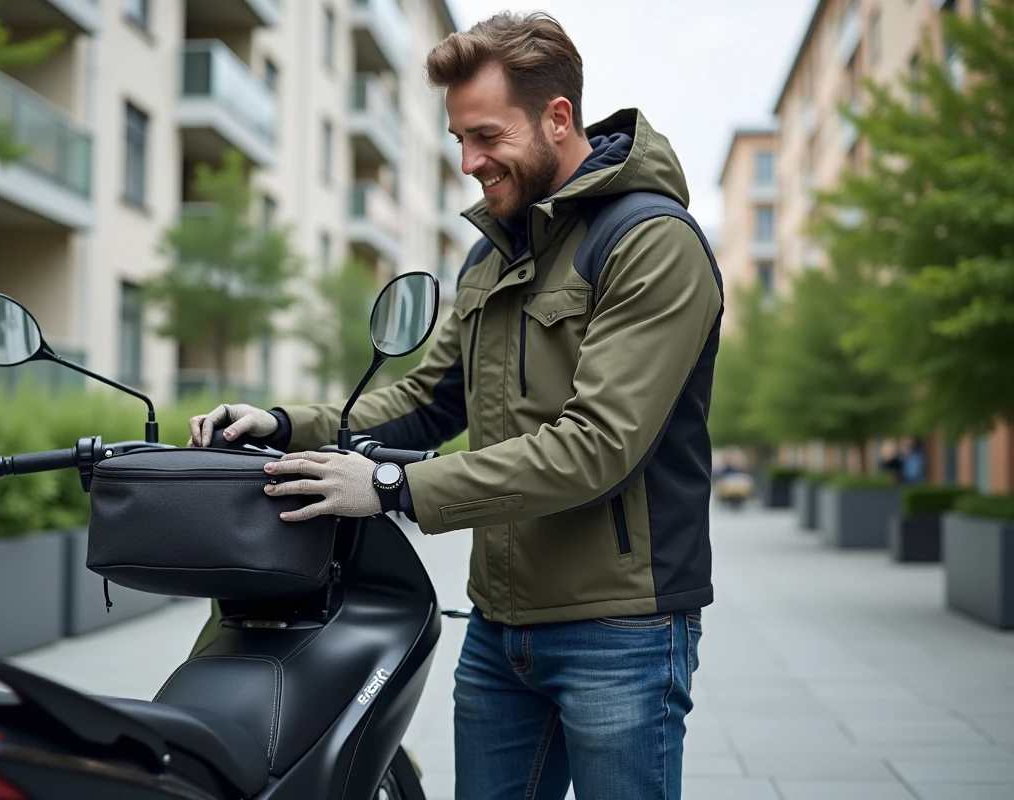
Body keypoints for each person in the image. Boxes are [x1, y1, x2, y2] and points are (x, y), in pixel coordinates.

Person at [189, 12, 723, 800]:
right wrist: (280, 424)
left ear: (558, 117)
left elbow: (597, 444)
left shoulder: (650, 242)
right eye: (458, 141)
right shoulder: (491, 253)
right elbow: (425, 401)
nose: (470, 162)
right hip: (499, 628)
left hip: (623, 629)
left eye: (486, 136)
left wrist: (396, 489)